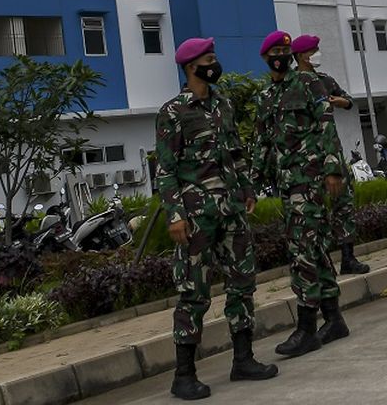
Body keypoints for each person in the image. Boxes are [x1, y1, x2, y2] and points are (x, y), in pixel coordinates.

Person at [155, 37, 278, 400]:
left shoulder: (222, 103)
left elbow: (234, 152)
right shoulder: (173, 111)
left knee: (243, 283)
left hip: (231, 212)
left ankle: (243, 360)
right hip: (196, 217)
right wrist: (175, 214)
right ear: (192, 65)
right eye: (210, 58)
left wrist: (247, 189)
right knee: (193, 292)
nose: (215, 63)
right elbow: (165, 169)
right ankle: (184, 375)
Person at [256, 31, 350, 358]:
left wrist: (333, 167)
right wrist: (253, 184)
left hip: (308, 178)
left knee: (302, 249)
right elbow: (262, 143)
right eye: (276, 51)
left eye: (286, 49)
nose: (282, 54)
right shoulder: (265, 95)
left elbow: (326, 124)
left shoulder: (309, 84)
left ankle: (307, 326)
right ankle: (334, 318)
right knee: (314, 245)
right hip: (285, 182)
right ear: (266, 58)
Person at [291, 33, 370, 275]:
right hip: (307, 160)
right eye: (313, 51)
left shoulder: (325, 80)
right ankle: (320, 265)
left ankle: (348, 257)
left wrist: (341, 102)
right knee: (313, 213)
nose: (317, 54)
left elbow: (348, 100)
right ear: (301, 56)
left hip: (332, 155)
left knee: (343, 205)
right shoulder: (291, 84)